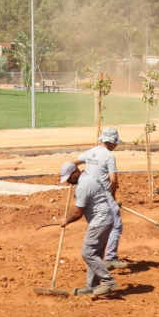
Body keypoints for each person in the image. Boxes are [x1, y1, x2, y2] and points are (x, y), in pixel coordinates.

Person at [69, 127, 126, 269]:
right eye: (115, 143)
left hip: (89, 192)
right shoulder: (109, 156)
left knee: (96, 222)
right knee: (116, 225)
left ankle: (95, 255)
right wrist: (112, 196)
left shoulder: (91, 152)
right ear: (110, 142)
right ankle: (110, 258)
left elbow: (71, 163)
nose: (116, 146)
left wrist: (71, 176)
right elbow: (113, 181)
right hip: (104, 194)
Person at [59, 162, 118, 297]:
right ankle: (92, 286)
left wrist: (66, 221)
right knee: (95, 254)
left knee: (88, 253)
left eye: (69, 178)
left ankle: (108, 281)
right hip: (106, 219)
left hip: (99, 222)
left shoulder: (83, 187)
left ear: (75, 172)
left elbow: (78, 213)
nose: (68, 182)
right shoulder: (90, 175)